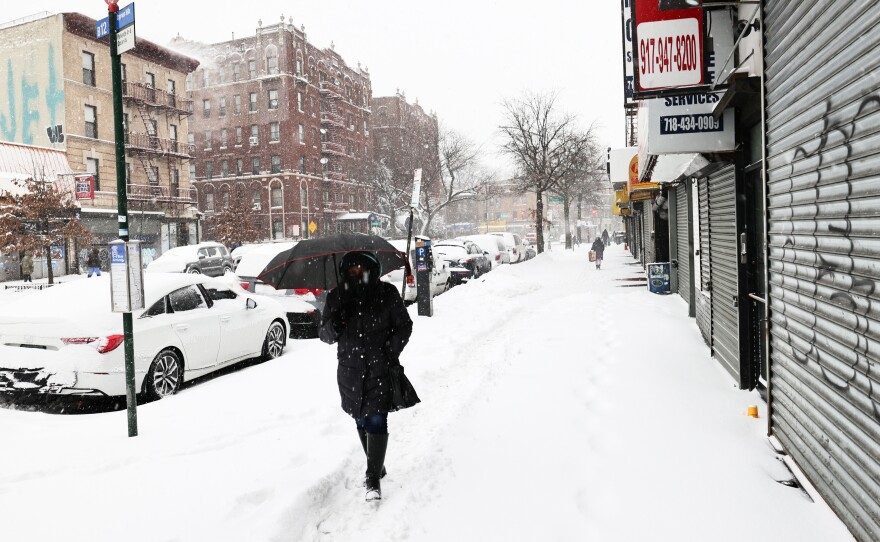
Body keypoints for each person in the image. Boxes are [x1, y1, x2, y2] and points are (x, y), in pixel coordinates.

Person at [319, 251, 414, 502]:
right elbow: (325, 335)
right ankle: (377, 464)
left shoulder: (386, 294)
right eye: (351, 270)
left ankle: (372, 479)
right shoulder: (337, 297)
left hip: (379, 368)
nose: (356, 274)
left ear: (372, 269)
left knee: (375, 419)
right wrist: (335, 323)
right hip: (350, 371)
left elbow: (404, 326)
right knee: (360, 418)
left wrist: (388, 350)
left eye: (361, 269)